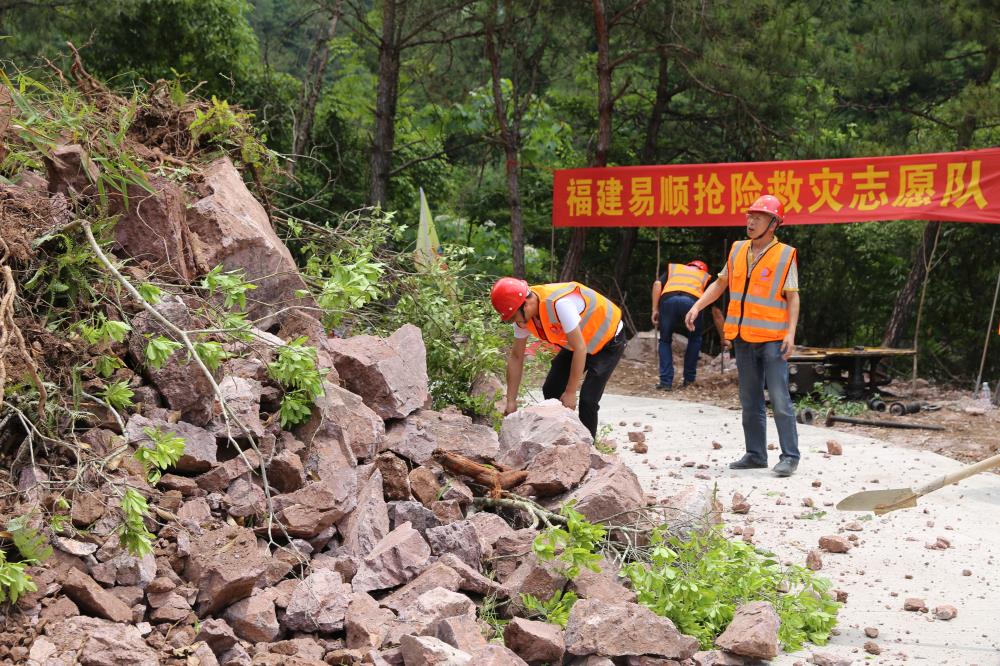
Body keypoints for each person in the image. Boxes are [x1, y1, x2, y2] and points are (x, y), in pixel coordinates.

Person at [684, 194, 801, 477]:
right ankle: (755, 454)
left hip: (773, 339)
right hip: (742, 338)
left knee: (779, 398)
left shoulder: (785, 254)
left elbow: (793, 297)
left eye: (758, 217)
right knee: (750, 400)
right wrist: (698, 305)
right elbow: (720, 283)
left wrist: (790, 333)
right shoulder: (737, 250)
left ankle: (790, 456)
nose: (750, 221)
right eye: (750, 216)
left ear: (773, 224)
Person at [491, 278, 626, 438]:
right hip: (577, 341)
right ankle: (564, 436)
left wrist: (570, 392)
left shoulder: (560, 304)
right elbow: (516, 356)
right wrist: (511, 400)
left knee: (588, 400)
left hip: (608, 341)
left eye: (513, 317)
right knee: (551, 388)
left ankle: (588, 449)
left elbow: (580, 349)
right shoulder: (523, 316)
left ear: (525, 305)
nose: (514, 321)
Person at [651, 260, 727, 390]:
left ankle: (665, 382)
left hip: (668, 300)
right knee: (694, 339)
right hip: (691, 301)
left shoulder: (675, 269)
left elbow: (657, 284)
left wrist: (655, 309)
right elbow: (716, 312)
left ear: (688, 266)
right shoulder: (705, 276)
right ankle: (689, 380)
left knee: (664, 340)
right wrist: (724, 338)